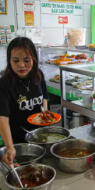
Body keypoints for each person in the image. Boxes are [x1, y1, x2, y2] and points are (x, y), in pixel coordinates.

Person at [0, 37, 48, 166]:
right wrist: (9, 147)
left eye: (26, 60)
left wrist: (45, 112)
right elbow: (2, 118)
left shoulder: (38, 75)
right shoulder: (4, 84)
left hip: (39, 135)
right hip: (17, 140)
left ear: (33, 59)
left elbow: (44, 97)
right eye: (15, 60)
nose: (21, 65)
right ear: (9, 60)